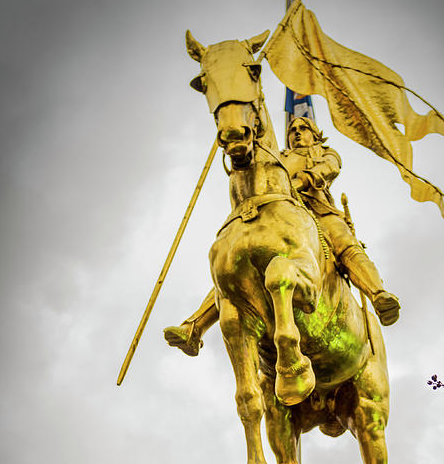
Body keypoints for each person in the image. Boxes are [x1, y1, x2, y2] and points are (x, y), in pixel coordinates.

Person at [164, 116, 400, 356]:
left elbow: (330, 168)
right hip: (279, 213)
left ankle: (378, 295)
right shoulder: (280, 156)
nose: (296, 132)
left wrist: (304, 179)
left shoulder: (324, 152)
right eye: (292, 129)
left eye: (303, 128)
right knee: (234, 264)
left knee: (344, 243)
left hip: (318, 213)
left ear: (315, 134)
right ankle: (195, 327)